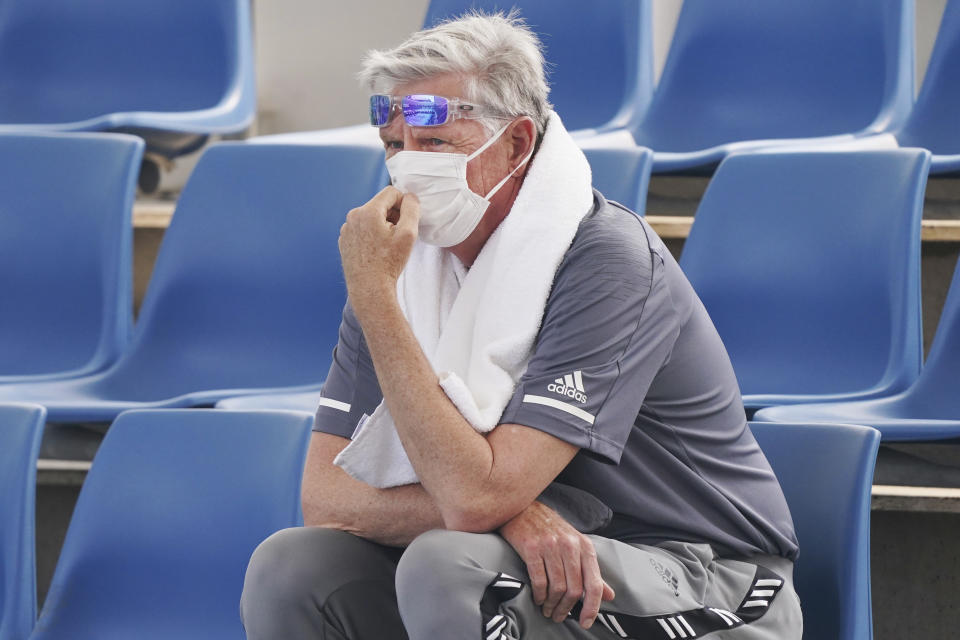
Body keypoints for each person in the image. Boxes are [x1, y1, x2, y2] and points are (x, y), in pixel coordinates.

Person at [240, 11, 802, 640]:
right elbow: (326, 496)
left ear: (515, 143)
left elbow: (475, 500)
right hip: (531, 556)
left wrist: (491, 512)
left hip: (705, 575)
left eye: (434, 143)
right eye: (394, 146)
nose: (406, 170)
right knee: (291, 564)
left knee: (452, 564)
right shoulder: (394, 267)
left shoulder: (607, 259)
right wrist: (514, 517)